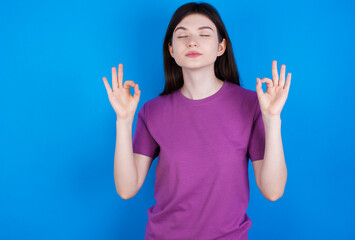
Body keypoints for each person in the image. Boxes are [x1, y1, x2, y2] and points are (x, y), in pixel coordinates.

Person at [102, 2, 291, 240]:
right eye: (182, 35)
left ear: (221, 47)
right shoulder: (153, 111)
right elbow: (127, 188)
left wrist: (273, 119)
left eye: (204, 34)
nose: (192, 42)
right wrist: (123, 120)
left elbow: (273, 191)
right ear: (171, 50)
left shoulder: (251, 104)